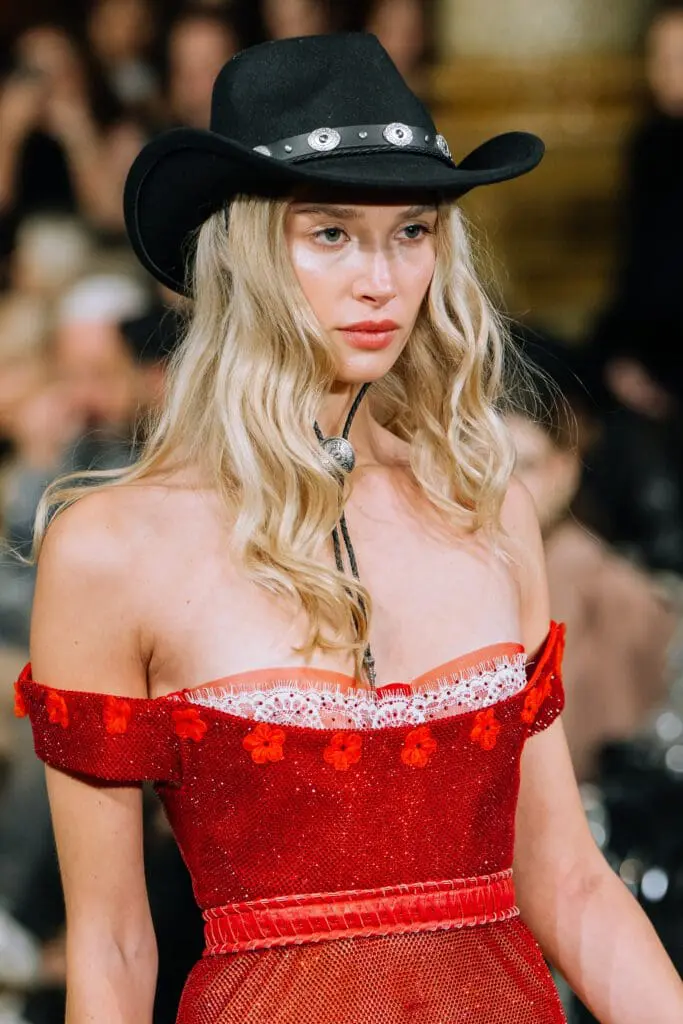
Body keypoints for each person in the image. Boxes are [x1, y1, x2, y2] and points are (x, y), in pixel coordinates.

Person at [13, 32, 683, 1024]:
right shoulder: (112, 548)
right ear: (243, 251)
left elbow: (570, 884)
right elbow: (111, 949)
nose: (382, 279)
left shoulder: (485, 506)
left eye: (411, 231)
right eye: (329, 233)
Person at [504, 331, 676, 783]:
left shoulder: (616, 595)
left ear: (565, 466)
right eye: (482, 463)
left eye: (522, 465)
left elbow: (600, 757)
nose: (499, 488)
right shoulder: (457, 571)